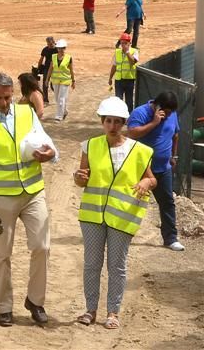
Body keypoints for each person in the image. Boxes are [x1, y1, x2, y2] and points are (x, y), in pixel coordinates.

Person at [0, 72, 58, 327]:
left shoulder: (27, 114)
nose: (4, 103)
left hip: (33, 193)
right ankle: (4, 307)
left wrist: (49, 153)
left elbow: (48, 142)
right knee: (2, 254)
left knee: (42, 246)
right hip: (1, 199)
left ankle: (35, 301)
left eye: (8, 97)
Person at [74, 96, 156, 330]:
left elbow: (152, 179)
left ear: (124, 123)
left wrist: (145, 184)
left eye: (117, 121)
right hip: (92, 216)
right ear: (102, 121)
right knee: (91, 264)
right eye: (108, 121)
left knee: (116, 266)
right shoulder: (89, 146)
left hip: (122, 215)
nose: (112, 126)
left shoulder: (139, 151)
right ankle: (90, 310)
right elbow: (82, 179)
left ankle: (112, 312)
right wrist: (78, 178)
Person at [126, 91, 184, 252]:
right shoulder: (140, 112)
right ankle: (122, 235)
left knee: (167, 203)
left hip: (163, 168)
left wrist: (174, 156)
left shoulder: (172, 114)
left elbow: (175, 135)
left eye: (171, 112)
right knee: (131, 202)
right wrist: (154, 123)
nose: (169, 114)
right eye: (167, 111)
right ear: (157, 106)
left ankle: (170, 239)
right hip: (141, 168)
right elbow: (131, 133)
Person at [46, 39, 75, 121]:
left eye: (62, 48)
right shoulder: (53, 57)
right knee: (57, 98)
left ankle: (59, 116)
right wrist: (47, 80)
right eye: (59, 48)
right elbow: (50, 69)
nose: (60, 50)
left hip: (65, 81)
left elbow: (71, 70)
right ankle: (64, 111)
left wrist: (73, 81)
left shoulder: (69, 58)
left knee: (61, 98)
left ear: (65, 48)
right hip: (55, 81)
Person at [109, 33, 139, 112]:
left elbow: (133, 62)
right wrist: (110, 78)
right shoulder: (117, 52)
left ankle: (129, 117)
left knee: (129, 101)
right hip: (119, 80)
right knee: (118, 100)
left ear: (130, 43)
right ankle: (119, 117)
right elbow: (114, 66)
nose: (123, 45)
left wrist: (127, 52)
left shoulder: (134, 51)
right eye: (122, 43)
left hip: (129, 80)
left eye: (125, 43)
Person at [37, 37, 57, 105]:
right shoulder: (45, 49)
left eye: (51, 44)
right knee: (45, 84)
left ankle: (59, 96)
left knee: (54, 85)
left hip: (56, 69)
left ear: (54, 42)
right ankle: (45, 100)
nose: (50, 45)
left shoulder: (58, 49)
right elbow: (41, 59)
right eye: (48, 44)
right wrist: (38, 67)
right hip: (47, 68)